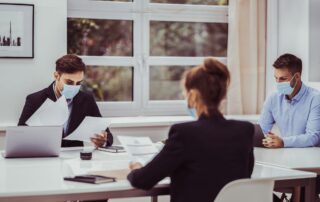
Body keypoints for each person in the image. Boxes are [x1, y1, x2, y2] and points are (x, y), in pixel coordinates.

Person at [127, 58, 254, 202]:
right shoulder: (245, 130)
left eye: (185, 93)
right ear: (223, 94)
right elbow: (244, 176)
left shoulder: (184, 133)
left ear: (192, 95)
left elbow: (143, 180)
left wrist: (136, 169)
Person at [18, 54, 113, 147]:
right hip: (44, 157)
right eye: (69, 82)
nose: (74, 87)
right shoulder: (35, 100)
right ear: (56, 76)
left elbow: (108, 136)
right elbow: (19, 137)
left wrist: (103, 141)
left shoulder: (86, 100)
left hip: (76, 159)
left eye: (78, 83)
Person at [259, 53, 320, 148]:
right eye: (276, 78)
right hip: (284, 154)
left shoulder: (315, 99)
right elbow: (262, 130)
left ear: (297, 77)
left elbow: (313, 137)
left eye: (283, 79)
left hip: (309, 156)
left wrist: (283, 142)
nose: (278, 83)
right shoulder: (273, 97)